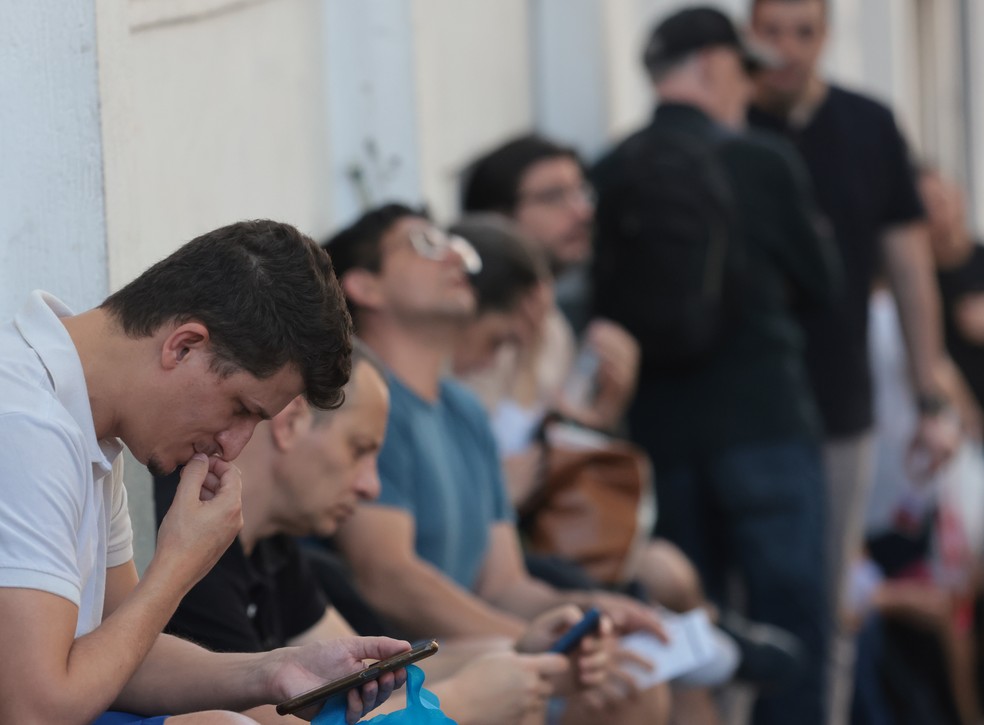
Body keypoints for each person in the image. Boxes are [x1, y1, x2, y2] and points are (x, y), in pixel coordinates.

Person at [0, 220, 411, 724]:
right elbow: (34, 710)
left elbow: (124, 658)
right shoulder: (24, 425)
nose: (233, 446)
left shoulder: (85, 423)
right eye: (242, 409)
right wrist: (178, 564)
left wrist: (275, 670)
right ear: (184, 345)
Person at [324, 203, 672, 725]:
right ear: (365, 287)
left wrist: (584, 607)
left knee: (640, 672)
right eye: (424, 245)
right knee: (624, 693)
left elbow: (504, 580)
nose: (455, 260)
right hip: (409, 674)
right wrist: (522, 643)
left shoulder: (463, 408)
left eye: (455, 247)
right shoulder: (366, 406)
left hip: (480, 650)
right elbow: (387, 575)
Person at [591, 7, 842, 725]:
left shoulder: (610, 169)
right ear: (711, 66)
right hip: (767, 424)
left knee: (686, 636)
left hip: (664, 441)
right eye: (744, 70)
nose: (752, 90)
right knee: (791, 629)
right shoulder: (763, 160)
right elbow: (823, 283)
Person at [155, 341, 592, 725]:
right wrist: (464, 702)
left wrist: (515, 649)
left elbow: (368, 676)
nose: (371, 486)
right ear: (291, 424)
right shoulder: (196, 541)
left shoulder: (271, 547)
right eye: (359, 450)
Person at [747, 0, 959, 636]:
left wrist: (930, 397)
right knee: (749, 600)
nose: (786, 49)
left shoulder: (868, 124)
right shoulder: (727, 123)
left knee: (831, 598)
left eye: (802, 32)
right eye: (771, 32)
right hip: (746, 407)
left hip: (841, 395)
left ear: (826, 37)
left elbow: (910, 270)